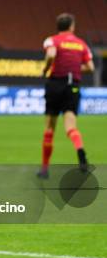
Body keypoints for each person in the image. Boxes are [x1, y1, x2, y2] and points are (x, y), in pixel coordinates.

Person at [38, 13, 94, 179]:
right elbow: (90, 67)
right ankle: (80, 150)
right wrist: (75, 69)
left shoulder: (52, 40)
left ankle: (44, 169)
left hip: (55, 84)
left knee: (49, 129)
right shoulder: (81, 44)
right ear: (72, 26)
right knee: (71, 127)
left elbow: (51, 55)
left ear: (58, 26)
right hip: (73, 86)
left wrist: (46, 69)